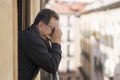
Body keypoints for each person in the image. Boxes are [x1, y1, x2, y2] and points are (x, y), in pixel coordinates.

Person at [18, 8, 62, 80]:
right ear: (41, 25)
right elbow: (53, 66)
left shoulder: (38, 38)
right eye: (53, 29)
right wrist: (56, 43)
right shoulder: (32, 39)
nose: (54, 33)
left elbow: (52, 57)